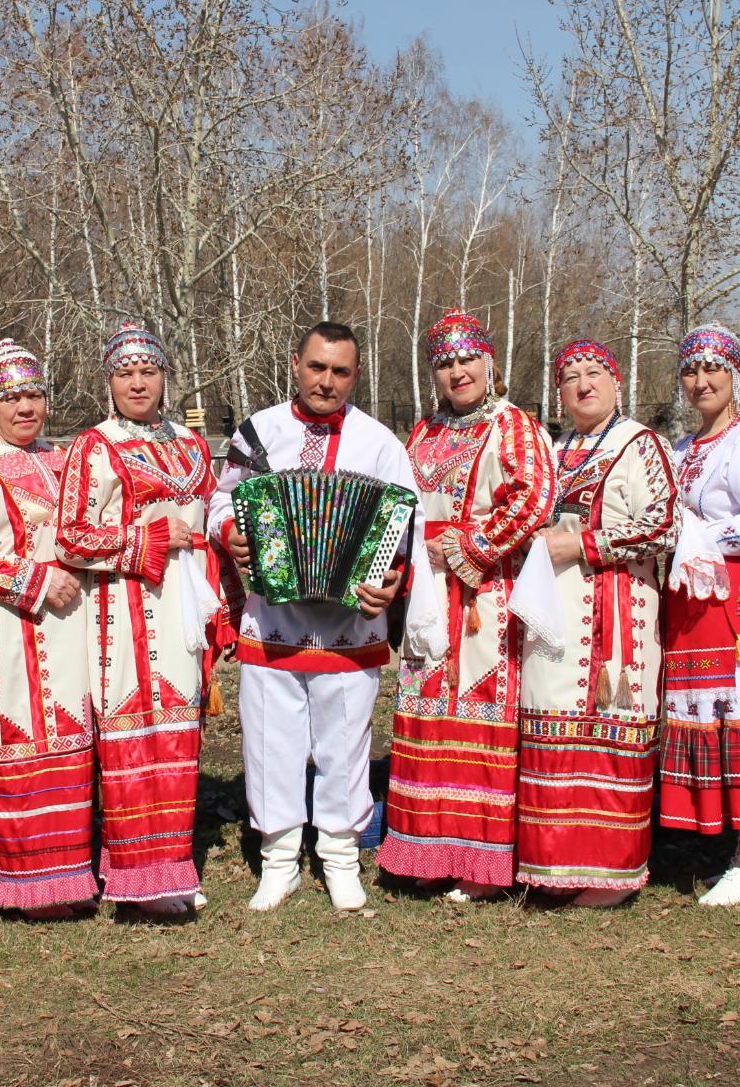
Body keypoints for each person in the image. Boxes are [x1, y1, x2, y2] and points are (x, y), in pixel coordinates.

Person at [207, 322, 413, 912]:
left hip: (352, 624)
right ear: (296, 363)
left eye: (341, 371)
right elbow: (225, 499)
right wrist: (233, 534)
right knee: (271, 737)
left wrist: (391, 576)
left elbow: (402, 525)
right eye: (318, 367)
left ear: (355, 375)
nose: (327, 382)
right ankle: (279, 859)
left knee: (345, 738)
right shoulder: (258, 432)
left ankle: (341, 856)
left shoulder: (379, 444)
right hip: (273, 616)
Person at [376, 309, 557, 901]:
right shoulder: (424, 433)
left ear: (489, 362)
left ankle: (480, 865)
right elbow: (401, 506)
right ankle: (426, 853)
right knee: (427, 713)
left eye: (466, 360)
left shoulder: (515, 427)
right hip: (429, 592)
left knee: (480, 715)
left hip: (486, 595)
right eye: (445, 364)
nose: (457, 372)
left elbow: (535, 499)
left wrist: (473, 546)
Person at [56, 322, 226, 916]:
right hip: (123, 613)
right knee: (133, 738)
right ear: (109, 381)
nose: (137, 383)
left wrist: (215, 605)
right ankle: (136, 876)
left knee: (180, 734)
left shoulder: (191, 443)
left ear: (164, 377)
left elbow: (208, 522)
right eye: (125, 373)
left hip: (183, 608)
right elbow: (71, 537)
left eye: (147, 371)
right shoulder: (94, 446)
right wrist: (145, 536)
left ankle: (173, 864)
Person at [516, 339, 677, 907]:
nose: (582, 385)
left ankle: (609, 874)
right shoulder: (551, 448)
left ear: (616, 382)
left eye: (593, 374)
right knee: (550, 718)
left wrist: (584, 544)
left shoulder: (642, 445)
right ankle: (552, 864)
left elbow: (664, 527)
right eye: (570, 377)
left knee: (610, 724)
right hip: (552, 611)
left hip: (617, 610)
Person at [0, 342, 98, 918]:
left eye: (33, 395)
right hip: (11, 626)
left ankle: (70, 873)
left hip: (72, 625)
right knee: (21, 736)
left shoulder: (65, 458)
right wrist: (32, 582)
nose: (24, 408)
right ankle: (23, 880)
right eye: (10, 399)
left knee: (69, 738)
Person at [658, 325, 740, 906]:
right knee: (701, 713)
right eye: (691, 370)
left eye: (713, 368)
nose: (701, 381)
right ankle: (717, 843)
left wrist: (695, 535)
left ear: (735, 374)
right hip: (690, 599)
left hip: (739, 596)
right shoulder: (682, 449)